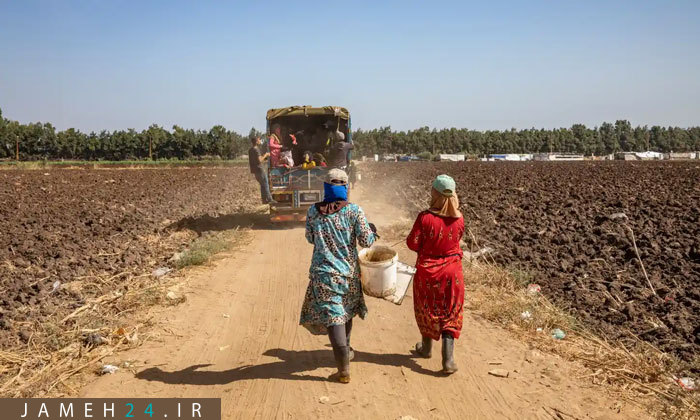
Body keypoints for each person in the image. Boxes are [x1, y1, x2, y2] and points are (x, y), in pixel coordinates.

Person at [300, 169, 378, 383]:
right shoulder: (354, 211)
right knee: (344, 313)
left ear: (325, 187)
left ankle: (344, 360)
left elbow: (310, 237)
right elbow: (367, 241)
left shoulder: (313, 212)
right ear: (346, 187)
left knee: (336, 316)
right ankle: (343, 367)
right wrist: (372, 231)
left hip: (323, 274)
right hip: (349, 274)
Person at [406, 174, 465, 374]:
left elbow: (412, 243)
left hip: (427, 272)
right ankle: (448, 360)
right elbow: (457, 239)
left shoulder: (425, 218)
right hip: (452, 273)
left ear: (435, 194)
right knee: (450, 312)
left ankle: (426, 348)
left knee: (427, 308)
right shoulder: (459, 219)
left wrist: (426, 245)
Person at [247, 135, 274, 204]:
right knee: (265, 184)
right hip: (260, 170)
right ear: (256, 141)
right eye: (259, 140)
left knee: (262, 185)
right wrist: (266, 155)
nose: (260, 141)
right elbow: (259, 160)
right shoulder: (256, 149)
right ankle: (270, 199)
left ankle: (264, 200)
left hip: (255, 171)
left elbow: (255, 161)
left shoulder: (250, 150)